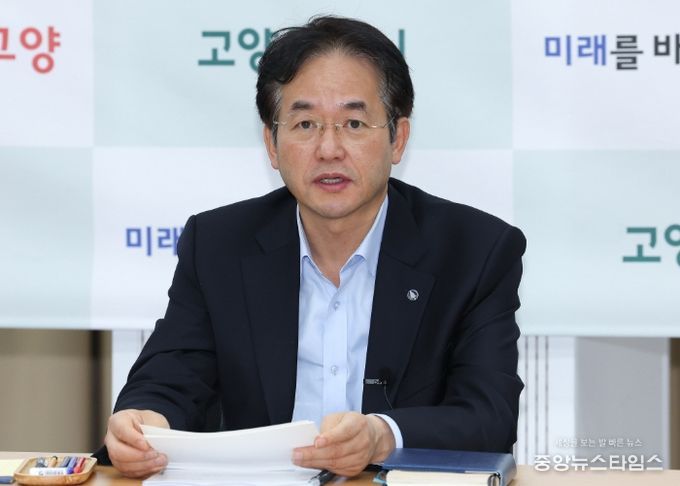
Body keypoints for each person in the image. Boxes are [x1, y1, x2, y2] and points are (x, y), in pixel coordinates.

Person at [96, 15, 526, 479]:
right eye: (304, 124)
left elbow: (488, 416)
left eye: (354, 123)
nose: (329, 149)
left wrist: (382, 435)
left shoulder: (473, 251)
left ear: (398, 138)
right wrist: (146, 424)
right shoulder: (218, 244)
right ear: (272, 143)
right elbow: (171, 377)